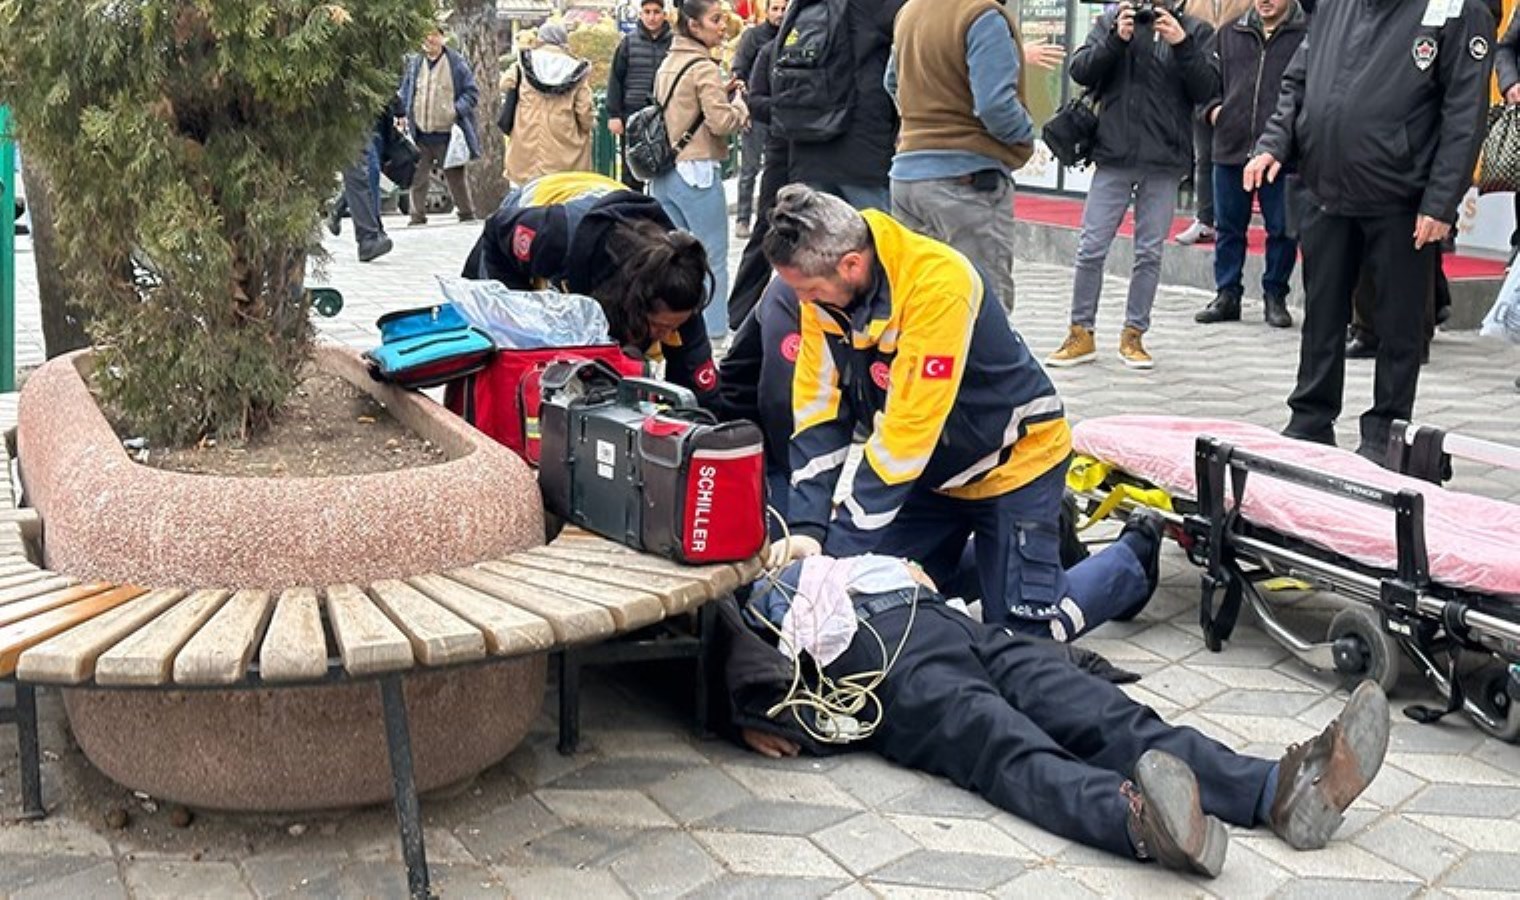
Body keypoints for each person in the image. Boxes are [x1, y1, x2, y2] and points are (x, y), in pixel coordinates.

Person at [714, 553, 1393, 878]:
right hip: (875, 660)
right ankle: (1140, 820)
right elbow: (709, 640)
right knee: (1002, 742)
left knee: (1102, 711)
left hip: (952, 622)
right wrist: (757, 708)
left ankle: (1278, 792)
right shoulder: (737, 577)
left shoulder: (841, 537)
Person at [761, 186, 1159, 639]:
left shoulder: (939, 285)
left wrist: (838, 551)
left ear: (851, 265)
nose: (803, 303)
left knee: (1022, 641)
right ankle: (1034, 545)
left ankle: (1133, 558)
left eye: (808, 291)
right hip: (936, 477)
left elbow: (906, 435)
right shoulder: (825, 294)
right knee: (874, 599)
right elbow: (818, 410)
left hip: (1014, 466)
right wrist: (809, 528)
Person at [1246, 0, 1493, 457]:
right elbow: (1298, 81)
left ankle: (1386, 433)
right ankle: (1310, 418)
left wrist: (1441, 202)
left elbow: (1464, 114)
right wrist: (1274, 142)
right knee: (1321, 314)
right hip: (1327, 186)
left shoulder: (1458, 9)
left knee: (1399, 327)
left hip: (1402, 197)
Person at [1047, 0, 1217, 370]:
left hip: (1164, 161)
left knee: (1148, 253)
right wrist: (1115, 39)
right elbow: (1080, 70)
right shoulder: (1112, 21)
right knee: (1091, 247)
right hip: (1113, 155)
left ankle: (1134, 335)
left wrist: (1182, 45)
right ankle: (1080, 333)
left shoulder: (1196, 30)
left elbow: (1208, 88)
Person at [461, 172, 722, 405]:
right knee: (516, 359)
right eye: (659, 327)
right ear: (635, 303)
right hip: (515, 233)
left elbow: (698, 385)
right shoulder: (557, 236)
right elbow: (496, 230)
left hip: (608, 273)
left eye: (673, 327)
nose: (666, 335)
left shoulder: (677, 277)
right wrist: (524, 319)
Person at [884, 0, 1034, 316]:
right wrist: (1025, 135)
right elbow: (995, 105)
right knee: (982, 308)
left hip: (908, 175)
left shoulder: (910, 11)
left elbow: (891, 83)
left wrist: (919, 124)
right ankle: (977, 366)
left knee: (921, 303)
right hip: (966, 179)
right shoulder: (981, 15)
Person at [1193, 0, 1305, 328]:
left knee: (1282, 229)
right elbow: (1204, 84)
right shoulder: (1229, 33)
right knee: (1228, 227)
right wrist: (1214, 111)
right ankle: (1227, 294)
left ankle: (1275, 295)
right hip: (1231, 147)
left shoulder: (1307, 35)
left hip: (1281, 154)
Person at [651, 0, 750, 339]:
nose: (722, 25)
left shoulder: (669, 62)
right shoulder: (703, 66)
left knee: (671, 258)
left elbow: (681, 110)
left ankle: (675, 328)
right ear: (694, 25)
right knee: (712, 257)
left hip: (665, 172)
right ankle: (714, 332)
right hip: (697, 171)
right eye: (716, 19)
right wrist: (738, 107)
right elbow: (720, 123)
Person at [778, 0, 905, 212]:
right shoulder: (876, 6)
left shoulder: (801, 5)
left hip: (806, 147)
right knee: (876, 238)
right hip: (863, 148)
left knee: (820, 239)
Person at [726, 36, 792, 327]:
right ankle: (740, 312)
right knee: (766, 229)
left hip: (821, 155)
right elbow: (756, 100)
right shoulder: (769, 51)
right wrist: (789, 108)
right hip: (781, 149)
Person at [1177, 0, 1253, 247]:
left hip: (1241, 82)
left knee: (1245, 156)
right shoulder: (1191, 3)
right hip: (1203, 82)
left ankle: (1238, 220)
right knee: (1204, 156)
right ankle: (1205, 220)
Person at [398, 20, 480, 225]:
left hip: (447, 133)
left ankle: (466, 213)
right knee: (417, 177)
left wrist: (456, 110)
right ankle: (416, 216)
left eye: (434, 35)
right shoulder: (414, 62)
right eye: (426, 35)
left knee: (455, 177)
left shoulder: (456, 62)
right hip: (420, 133)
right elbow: (406, 91)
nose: (430, 39)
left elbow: (471, 93)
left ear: (442, 37)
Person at [500, 23, 594, 188]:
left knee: (525, 194)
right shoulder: (576, 69)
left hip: (526, 138)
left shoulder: (524, 63)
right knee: (560, 193)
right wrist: (587, 128)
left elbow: (505, 83)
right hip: (563, 142)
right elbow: (584, 111)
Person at [730, 0, 786, 240]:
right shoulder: (753, 37)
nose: (780, 14)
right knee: (750, 169)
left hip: (782, 115)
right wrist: (744, 106)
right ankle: (743, 219)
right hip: (757, 111)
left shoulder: (794, 34)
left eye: (784, 9)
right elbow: (739, 71)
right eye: (775, 9)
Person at [607, 0, 675, 194]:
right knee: (632, 169)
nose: (652, 17)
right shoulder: (628, 43)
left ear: (664, 14)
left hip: (665, 115)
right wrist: (614, 114)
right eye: (647, 12)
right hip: (633, 113)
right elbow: (615, 79)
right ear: (641, 14)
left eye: (656, 12)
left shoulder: (674, 43)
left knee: (665, 167)